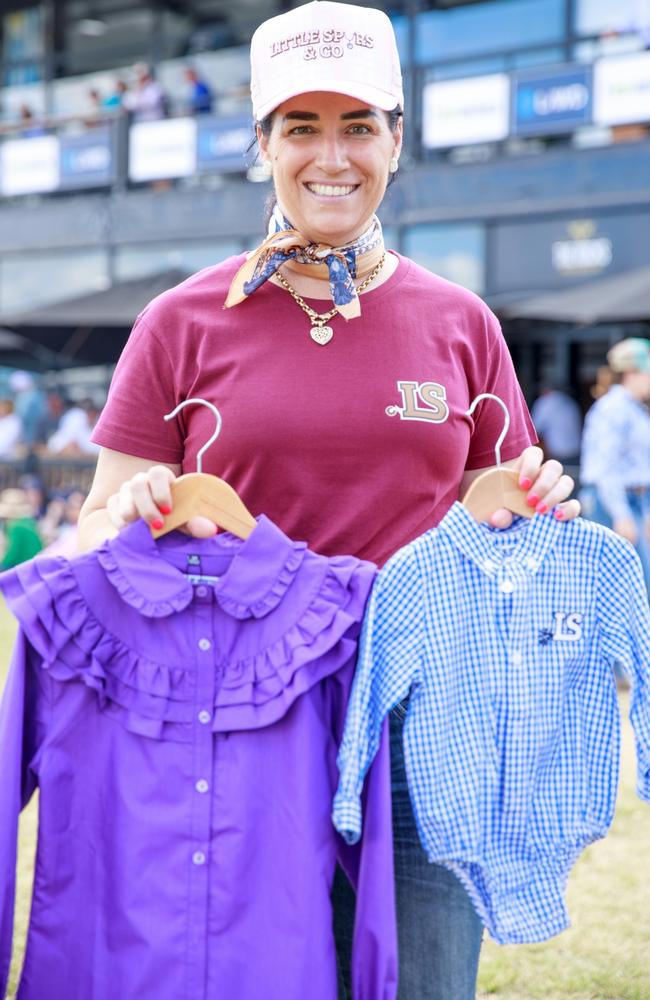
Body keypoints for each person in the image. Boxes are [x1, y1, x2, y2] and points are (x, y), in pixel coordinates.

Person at [78, 3, 579, 997]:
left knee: (426, 982)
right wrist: (131, 511)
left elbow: (507, 517)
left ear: (397, 136)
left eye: (356, 125)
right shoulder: (178, 323)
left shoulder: (461, 324)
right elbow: (93, 525)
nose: (330, 156)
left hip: (425, 725)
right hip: (242, 724)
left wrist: (533, 510)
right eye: (299, 127)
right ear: (262, 143)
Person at [580, 337, 650, 595]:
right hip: (612, 500)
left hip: (632, 499)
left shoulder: (633, 408)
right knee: (625, 584)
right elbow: (606, 466)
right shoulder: (613, 408)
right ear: (632, 373)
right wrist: (621, 513)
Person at [530, 381, 582, 466]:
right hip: (576, 451)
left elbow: (533, 429)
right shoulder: (568, 400)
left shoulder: (545, 402)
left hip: (559, 453)